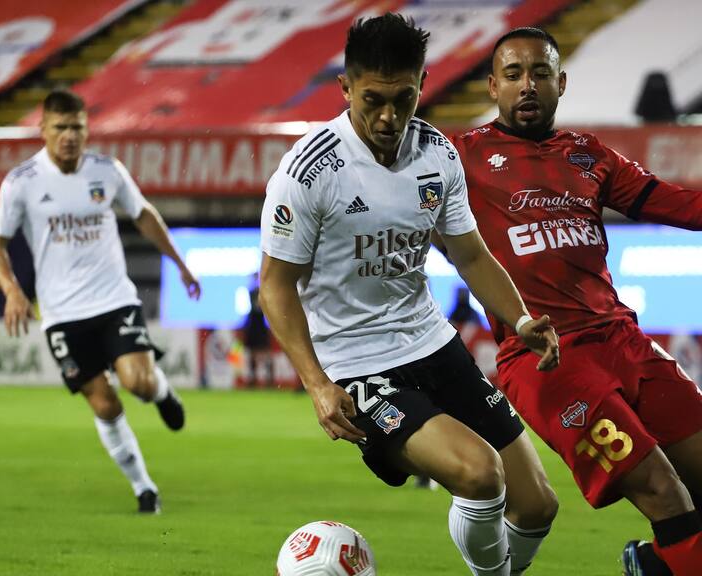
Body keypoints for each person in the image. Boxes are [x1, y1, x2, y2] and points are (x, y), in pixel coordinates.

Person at [259, 14, 561, 576]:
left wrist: (519, 320)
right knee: (479, 473)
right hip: (357, 365)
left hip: (433, 345)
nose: (389, 116)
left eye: (405, 98)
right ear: (345, 87)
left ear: (422, 84)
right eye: (373, 98)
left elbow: (469, 253)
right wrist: (318, 384)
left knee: (538, 504)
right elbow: (274, 289)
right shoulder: (308, 171)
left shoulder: (436, 154)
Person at [449, 27, 702, 575]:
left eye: (540, 72)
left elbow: (680, 204)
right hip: (548, 360)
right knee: (664, 492)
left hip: (626, 343)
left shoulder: (589, 154)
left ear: (560, 82)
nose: (528, 85)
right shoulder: (458, 161)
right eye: (513, 74)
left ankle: (655, 567)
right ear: (492, 86)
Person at [0, 89, 201, 514]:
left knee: (137, 382)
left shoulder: (107, 171)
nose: (69, 136)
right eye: (61, 127)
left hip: (114, 298)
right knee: (105, 402)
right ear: (43, 130)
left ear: (87, 130)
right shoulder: (22, 183)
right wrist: (12, 289)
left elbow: (143, 214)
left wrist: (180, 263)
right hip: (62, 313)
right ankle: (144, 488)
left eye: (77, 128)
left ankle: (161, 392)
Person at [241, 272, 273, 388]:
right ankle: (253, 379)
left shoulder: (261, 291)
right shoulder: (252, 291)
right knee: (253, 353)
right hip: (254, 324)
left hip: (259, 324)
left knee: (265, 353)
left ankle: (269, 379)